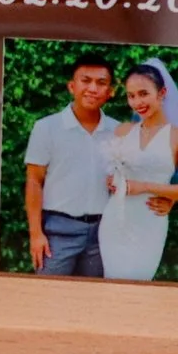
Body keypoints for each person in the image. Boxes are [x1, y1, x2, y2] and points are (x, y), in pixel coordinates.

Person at [95, 60, 178, 282]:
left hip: (150, 221)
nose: (137, 102)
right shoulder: (123, 130)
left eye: (143, 94)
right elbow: (112, 172)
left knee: (138, 285)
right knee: (111, 284)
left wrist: (153, 190)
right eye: (131, 96)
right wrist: (113, 181)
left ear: (162, 93)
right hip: (115, 219)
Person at [23, 55, 117, 276]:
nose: (93, 88)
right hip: (58, 233)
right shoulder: (47, 127)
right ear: (71, 86)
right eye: (86, 80)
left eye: (101, 83)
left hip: (103, 235)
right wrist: (36, 234)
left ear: (110, 91)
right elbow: (34, 181)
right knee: (49, 299)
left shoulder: (118, 131)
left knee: (92, 303)